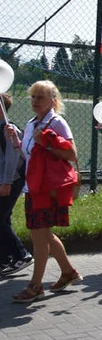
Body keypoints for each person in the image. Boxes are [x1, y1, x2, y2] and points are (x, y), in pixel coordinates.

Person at [8, 81, 81, 302]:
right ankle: (68, 271)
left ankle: (36, 286)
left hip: (47, 188)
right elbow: (27, 156)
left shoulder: (57, 122)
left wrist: (47, 144)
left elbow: (72, 155)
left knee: (39, 237)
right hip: (34, 186)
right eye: (33, 96)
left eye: (40, 97)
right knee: (42, 233)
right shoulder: (31, 123)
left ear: (53, 100)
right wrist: (16, 141)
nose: (35, 101)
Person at [0, 93, 31, 274]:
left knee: (1, 220)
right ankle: (4, 260)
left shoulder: (9, 129)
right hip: (4, 180)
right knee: (4, 219)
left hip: (12, 180)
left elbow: (12, 159)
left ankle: (22, 255)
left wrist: (6, 183)